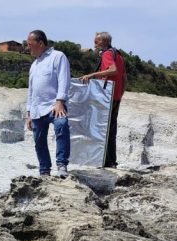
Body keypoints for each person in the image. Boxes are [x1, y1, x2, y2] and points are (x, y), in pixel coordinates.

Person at [26, 29, 71, 178]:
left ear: (40, 43)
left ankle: (62, 165)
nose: (28, 47)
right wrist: (28, 113)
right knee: (39, 141)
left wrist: (60, 101)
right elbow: (31, 90)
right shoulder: (34, 64)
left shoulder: (58, 56)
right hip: (37, 109)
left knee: (61, 126)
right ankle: (44, 171)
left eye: (29, 44)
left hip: (54, 105)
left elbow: (64, 79)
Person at [80, 31, 127, 168]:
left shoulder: (107, 54)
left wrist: (92, 74)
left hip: (108, 96)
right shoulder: (118, 54)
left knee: (103, 130)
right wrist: (120, 94)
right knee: (111, 131)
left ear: (105, 42)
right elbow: (124, 78)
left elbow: (113, 70)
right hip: (116, 96)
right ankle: (111, 162)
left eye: (96, 42)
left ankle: (105, 161)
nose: (94, 44)